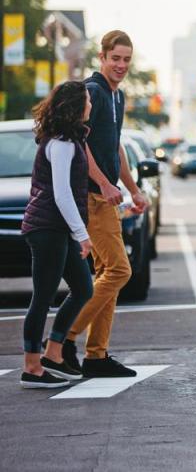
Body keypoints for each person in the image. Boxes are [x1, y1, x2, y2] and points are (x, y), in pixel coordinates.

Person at [61, 30, 147, 378]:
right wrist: (103, 183)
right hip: (91, 196)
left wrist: (133, 189)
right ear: (102, 57)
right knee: (119, 271)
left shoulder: (117, 96)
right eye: (116, 58)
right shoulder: (92, 92)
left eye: (126, 59)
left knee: (108, 274)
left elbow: (115, 149)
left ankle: (96, 355)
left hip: (106, 196)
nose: (121, 65)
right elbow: (80, 145)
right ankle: (62, 338)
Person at [19, 82, 95, 389]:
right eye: (88, 101)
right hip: (48, 229)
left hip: (56, 228)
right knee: (44, 296)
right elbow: (62, 194)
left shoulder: (70, 139)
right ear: (76, 106)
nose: (91, 105)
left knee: (83, 288)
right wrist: (83, 235)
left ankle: (53, 352)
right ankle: (32, 367)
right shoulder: (62, 142)